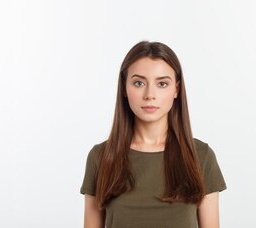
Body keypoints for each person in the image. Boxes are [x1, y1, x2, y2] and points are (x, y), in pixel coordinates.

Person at [80, 41, 227, 228]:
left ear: (176, 89)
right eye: (139, 83)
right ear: (124, 88)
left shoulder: (201, 156)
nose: (150, 94)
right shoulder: (101, 157)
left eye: (162, 83)